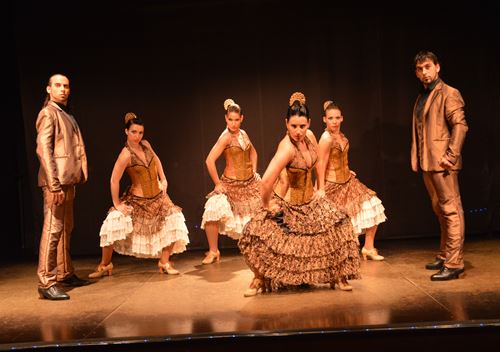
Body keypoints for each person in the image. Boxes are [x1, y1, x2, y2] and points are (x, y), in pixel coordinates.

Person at [238, 92, 361, 297]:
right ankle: (259, 278)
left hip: (311, 200)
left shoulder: (311, 137)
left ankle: (340, 275)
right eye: (293, 126)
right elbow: (266, 180)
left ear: (309, 123)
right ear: (286, 123)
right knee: (256, 230)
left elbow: (319, 161)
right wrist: (267, 204)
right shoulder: (286, 148)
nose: (298, 131)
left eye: (302, 126)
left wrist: (321, 187)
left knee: (341, 223)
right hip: (291, 204)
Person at [89, 112, 190, 278]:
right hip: (138, 200)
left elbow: (156, 160)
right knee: (112, 223)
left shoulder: (146, 145)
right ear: (126, 132)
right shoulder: (125, 154)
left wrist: (163, 179)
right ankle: (105, 264)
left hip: (158, 197)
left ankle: (164, 262)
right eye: (134, 132)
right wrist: (117, 204)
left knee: (175, 219)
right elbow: (114, 180)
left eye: (140, 132)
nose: (137, 136)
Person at [411, 50, 468, 281]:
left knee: (451, 210)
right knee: (440, 210)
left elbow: (460, 126)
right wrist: (418, 157)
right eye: (419, 69)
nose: (424, 72)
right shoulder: (422, 96)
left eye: (427, 67)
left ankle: (455, 262)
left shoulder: (449, 93)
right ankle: (445, 254)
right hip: (428, 163)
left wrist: (451, 156)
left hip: (443, 163)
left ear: (437, 67)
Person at [36, 74, 90, 300]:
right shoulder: (48, 113)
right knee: (53, 229)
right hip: (55, 184)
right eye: (58, 85)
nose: (63, 89)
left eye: (66, 86)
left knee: (66, 228)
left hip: (67, 182)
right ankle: (46, 281)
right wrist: (54, 184)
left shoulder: (65, 114)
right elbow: (43, 150)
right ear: (48, 89)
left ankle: (65, 272)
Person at [317, 101, 387, 261]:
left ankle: (368, 247)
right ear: (324, 120)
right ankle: (339, 254)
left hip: (347, 180)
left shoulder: (341, 136)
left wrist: (347, 170)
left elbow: (339, 157)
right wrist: (321, 188)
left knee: (372, 204)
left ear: (342, 118)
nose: (334, 121)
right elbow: (320, 163)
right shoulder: (326, 138)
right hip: (332, 184)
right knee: (337, 221)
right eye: (330, 118)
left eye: (337, 118)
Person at [200, 99, 261, 264]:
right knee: (212, 209)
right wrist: (217, 184)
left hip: (249, 183)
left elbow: (254, 153)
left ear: (242, 118)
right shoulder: (225, 137)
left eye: (236, 120)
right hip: (231, 184)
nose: (233, 123)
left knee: (261, 213)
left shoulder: (244, 134)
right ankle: (213, 251)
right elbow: (209, 160)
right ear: (226, 119)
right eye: (230, 120)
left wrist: (254, 171)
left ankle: (258, 250)